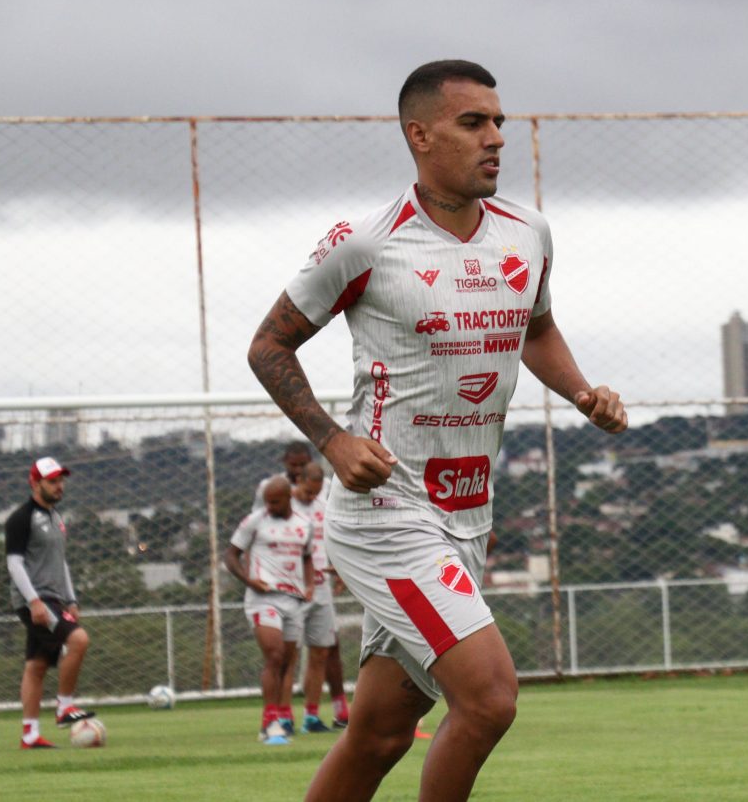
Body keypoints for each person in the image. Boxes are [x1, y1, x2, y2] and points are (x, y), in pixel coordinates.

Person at [248, 59, 627, 801]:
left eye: (498, 123)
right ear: (419, 135)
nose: (496, 139)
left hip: (466, 517)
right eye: (473, 123)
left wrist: (583, 393)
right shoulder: (366, 241)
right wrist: (333, 440)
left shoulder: (529, 234)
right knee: (488, 699)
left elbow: (537, 329)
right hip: (386, 518)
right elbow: (268, 345)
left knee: (382, 731)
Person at [5, 456, 95, 749]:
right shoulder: (21, 518)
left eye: (61, 480)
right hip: (36, 600)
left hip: (55, 599)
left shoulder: (57, 518)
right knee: (79, 640)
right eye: (52, 481)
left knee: (36, 666)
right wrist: (33, 602)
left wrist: (71, 598)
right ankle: (64, 707)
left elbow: (61, 562)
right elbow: (15, 565)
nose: (59, 486)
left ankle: (29, 735)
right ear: (35, 483)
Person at [223, 475, 315, 745]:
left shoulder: (303, 525)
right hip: (263, 598)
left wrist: (309, 584)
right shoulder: (255, 521)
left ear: (288, 498)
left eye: (275, 502)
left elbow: (308, 557)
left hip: (293, 600)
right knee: (274, 656)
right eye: (267, 502)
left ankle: (284, 717)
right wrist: (250, 580)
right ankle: (268, 721)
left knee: (288, 660)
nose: (270, 507)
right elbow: (230, 555)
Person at [287, 461, 351, 732]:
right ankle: (280, 715)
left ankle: (311, 716)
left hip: (321, 586)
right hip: (291, 589)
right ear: (299, 480)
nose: (312, 496)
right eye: (309, 490)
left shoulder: (322, 508)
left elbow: (332, 541)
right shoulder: (284, 508)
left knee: (321, 651)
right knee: (287, 653)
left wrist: (340, 570)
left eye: (316, 491)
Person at [255, 440, 314, 508]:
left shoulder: (325, 485)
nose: (298, 470)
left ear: (310, 461)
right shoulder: (268, 486)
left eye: (303, 464)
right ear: (285, 461)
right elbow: (258, 513)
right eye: (293, 465)